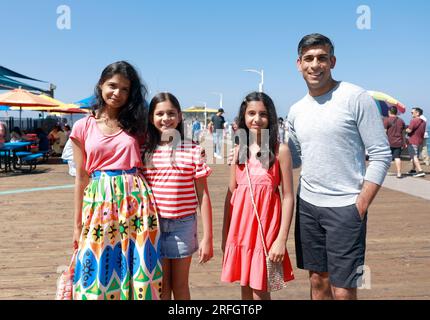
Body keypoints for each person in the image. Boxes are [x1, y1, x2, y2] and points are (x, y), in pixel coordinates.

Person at [287, 34, 391, 300]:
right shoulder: (296, 110)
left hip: (347, 207)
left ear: (332, 61)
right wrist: (257, 153)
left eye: (322, 58)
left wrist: (362, 203)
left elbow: (380, 154)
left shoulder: (356, 97)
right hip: (308, 206)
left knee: (344, 289)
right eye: (308, 59)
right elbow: (296, 160)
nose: (315, 64)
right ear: (299, 64)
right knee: (317, 281)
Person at [69, 61, 162, 300]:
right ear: (101, 85)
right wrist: (77, 225)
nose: (117, 93)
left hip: (136, 201)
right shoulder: (82, 126)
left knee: (137, 260)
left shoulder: (138, 125)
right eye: (112, 86)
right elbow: (81, 176)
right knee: (97, 258)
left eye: (124, 89)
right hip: (98, 201)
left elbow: (166, 139)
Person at [221, 92, 295, 300]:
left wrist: (281, 239)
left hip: (266, 230)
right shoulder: (238, 151)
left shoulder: (280, 151)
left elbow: (288, 197)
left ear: (270, 118)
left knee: (261, 291)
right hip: (241, 231)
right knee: (245, 288)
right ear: (243, 117)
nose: (256, 119)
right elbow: (231, 195)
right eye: (251, 113)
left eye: (263, 114)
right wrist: (225, 234)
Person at [142, 92, 213, 300]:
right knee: (161, 286)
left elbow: (204, 195)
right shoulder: (144, 150)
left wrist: (207, 237)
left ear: (180, 116)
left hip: (183, 225)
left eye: (171, 113)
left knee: (180, 286)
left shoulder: (193, 149)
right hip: (153, 226)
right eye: (160, 113)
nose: (166, 118)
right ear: (151, 118)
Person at [383, 106, 406, 178]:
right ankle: (399, 173)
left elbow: (384, 132)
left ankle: (383, 172)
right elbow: (403, 133)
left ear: (389, 112)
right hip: (398, 142)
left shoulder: (386, 120)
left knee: (385, 157)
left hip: (388, 142)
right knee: (397, 157)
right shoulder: (401, 120)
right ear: (396, 112)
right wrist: (404, 142)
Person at [406, 107, 426, 177]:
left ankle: (420, 171)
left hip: (413, 141)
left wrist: (405, 129)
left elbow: (409, 130)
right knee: (416, 156)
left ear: (417, 113)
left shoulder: (414, 120)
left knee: (414, 156)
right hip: (420, 141)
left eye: (412, 112)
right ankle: (413, 169)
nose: (411, 113)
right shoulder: (423, 121)